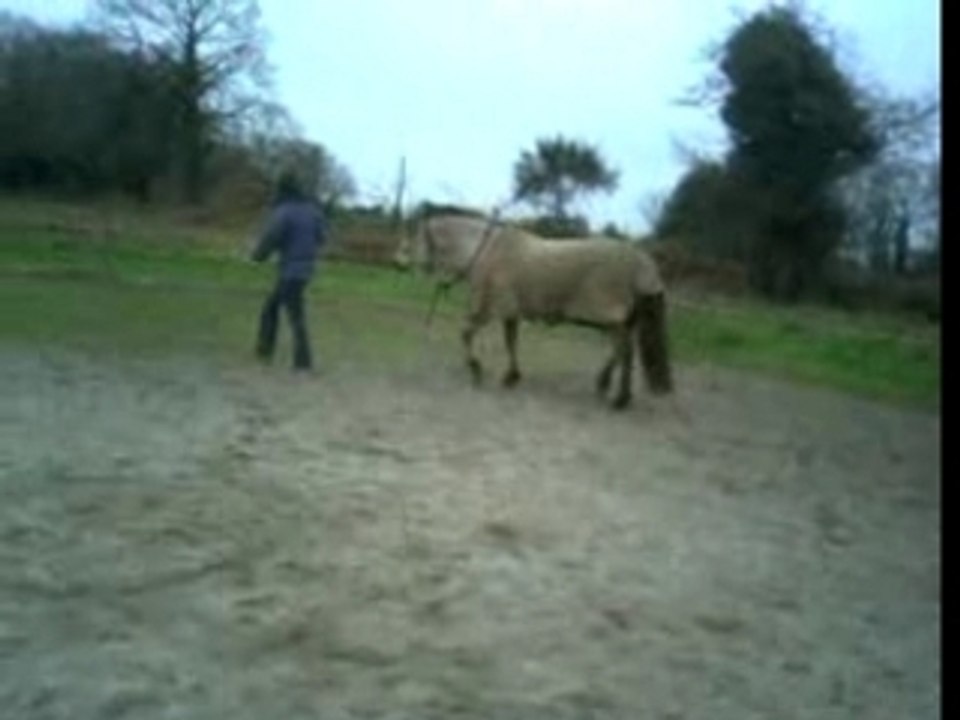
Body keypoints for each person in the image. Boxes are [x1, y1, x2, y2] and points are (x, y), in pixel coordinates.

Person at [250, 172, 328, 372]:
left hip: (291, 269)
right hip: (306, 269)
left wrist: (258, 256)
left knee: (292, 314)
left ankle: (301, 360)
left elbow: (271, 237)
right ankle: (266, 350)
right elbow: (322, 237)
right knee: (274, 307)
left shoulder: (284, 211)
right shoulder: (313, 211)